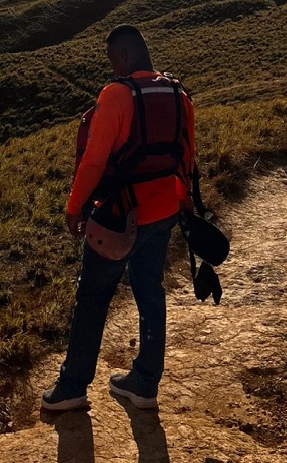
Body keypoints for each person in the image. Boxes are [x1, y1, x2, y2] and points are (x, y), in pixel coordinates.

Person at [41, 25, 196, 411]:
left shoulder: (117, 95)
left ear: (124, 57)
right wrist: (187, 202)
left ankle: (73, 385)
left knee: (93, 297)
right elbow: (188, 156)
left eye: (113, 61)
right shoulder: (179, 93)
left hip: (118, 217)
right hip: (164, 211)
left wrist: (73, 207)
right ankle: (144, 383)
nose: (112, 70)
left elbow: (94, 161)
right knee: (150, 291)